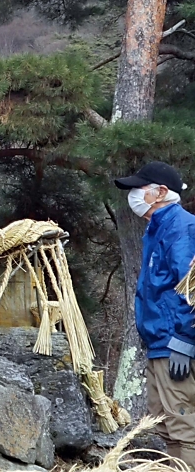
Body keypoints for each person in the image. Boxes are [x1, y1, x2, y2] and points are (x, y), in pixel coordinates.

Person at [115, 161, 195, 468]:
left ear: (161, 192)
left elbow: (191, 288)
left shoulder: (182, 227)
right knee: (163, 424)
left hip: (176, 343)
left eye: (138, 189)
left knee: (183, 426)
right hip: (159, 344)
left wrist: (185, 341)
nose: (132, 195)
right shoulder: (157, 228)